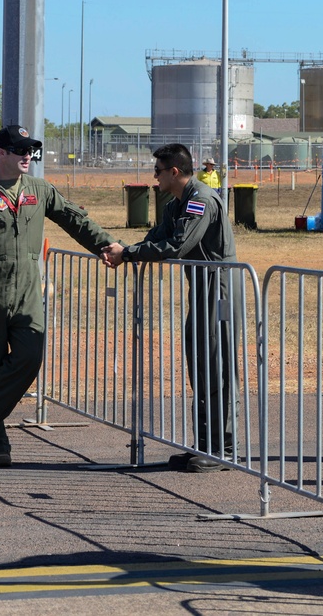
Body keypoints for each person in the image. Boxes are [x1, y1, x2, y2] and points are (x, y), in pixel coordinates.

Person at [0, 125, 123, 468]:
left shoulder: (40, 190)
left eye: (31, 150)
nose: (28, 156)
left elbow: (74, 219)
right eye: (21, 149)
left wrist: (105, 243)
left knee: (29, 357)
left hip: (27, 292)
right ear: (2, 153)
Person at [107, 143, 241, 474]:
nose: (155, 177)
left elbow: (178, 245)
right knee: (200, 360)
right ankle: (206, 444)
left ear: (174, 172)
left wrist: (129, 255)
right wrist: (127, 250)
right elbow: (159, 236)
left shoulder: (200, 200)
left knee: (216, 362)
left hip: (219, 286)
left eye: (158, 171)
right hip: (201, 284)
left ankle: (224, 448)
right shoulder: (176, 204)